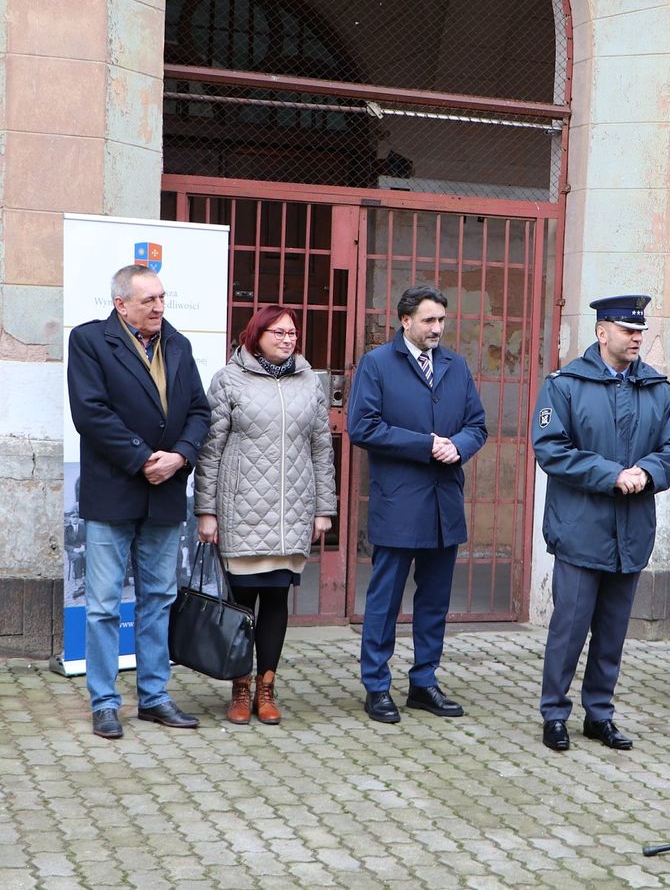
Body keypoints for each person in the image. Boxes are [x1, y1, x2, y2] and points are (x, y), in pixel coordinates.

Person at [532, 294, 670, 752]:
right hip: (581, 530)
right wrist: (611, 475)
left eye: (640, 330)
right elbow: (551, 449)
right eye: (627, 330)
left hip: (630, 532)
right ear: (602, 333)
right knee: (570, 629)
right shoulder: (565, 385)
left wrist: (648, 472)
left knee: (612, 633)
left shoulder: (656, 388)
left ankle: (599, 713)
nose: (637, 337)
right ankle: (555, 713)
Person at [67, 264, 211, 739]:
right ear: (120, 303)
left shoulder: (178, 344)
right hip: (115, 490)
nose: (159, 307)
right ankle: (105, 702)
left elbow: (197, 411)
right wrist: (144, 457)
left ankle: (154, 697)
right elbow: (90, 412)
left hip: (166, 490)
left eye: (162, 298)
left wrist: (180, 457)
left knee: (159, 600)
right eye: (148, 300)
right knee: (105, 605)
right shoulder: (90, 341)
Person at [347, 284, 487, 724]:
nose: (437, 328)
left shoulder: (455, 365)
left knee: (434, 601)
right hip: (399, 501)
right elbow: (362, 427)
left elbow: (477, 425)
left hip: (444, 502)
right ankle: (376, 685)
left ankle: (424, 682)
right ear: (405, 321)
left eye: (442, 321)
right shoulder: (377, 364)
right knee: (385, 599)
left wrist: (459, 446)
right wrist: (425, 445)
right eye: (429, 320)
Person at [194, 305, 337, 725]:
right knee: (241, 603)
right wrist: (206, 510)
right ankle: (239, 687)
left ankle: (266, 687)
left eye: (292, 333)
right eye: (278, 332)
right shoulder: (228, 379)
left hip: (292, 510)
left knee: (276, 599)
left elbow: (321, 448)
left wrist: (324, 508)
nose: (287, 338)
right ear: (256, 335)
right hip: (241, 508)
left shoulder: (309, 381)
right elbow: (210, 450)